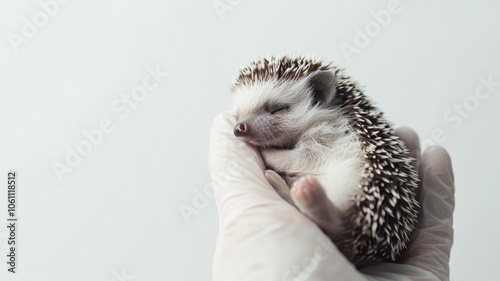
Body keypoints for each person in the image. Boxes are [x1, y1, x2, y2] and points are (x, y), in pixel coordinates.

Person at [209, 112, 455, 281]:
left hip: (349, 207)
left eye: (277, 109)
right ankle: (323, 217)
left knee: (315, 170)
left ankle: (323, 214)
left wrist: (272, 155)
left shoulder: (326, 127)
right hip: (348, 230)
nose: (250, 126)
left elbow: (308, 157)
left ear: (319, 95)